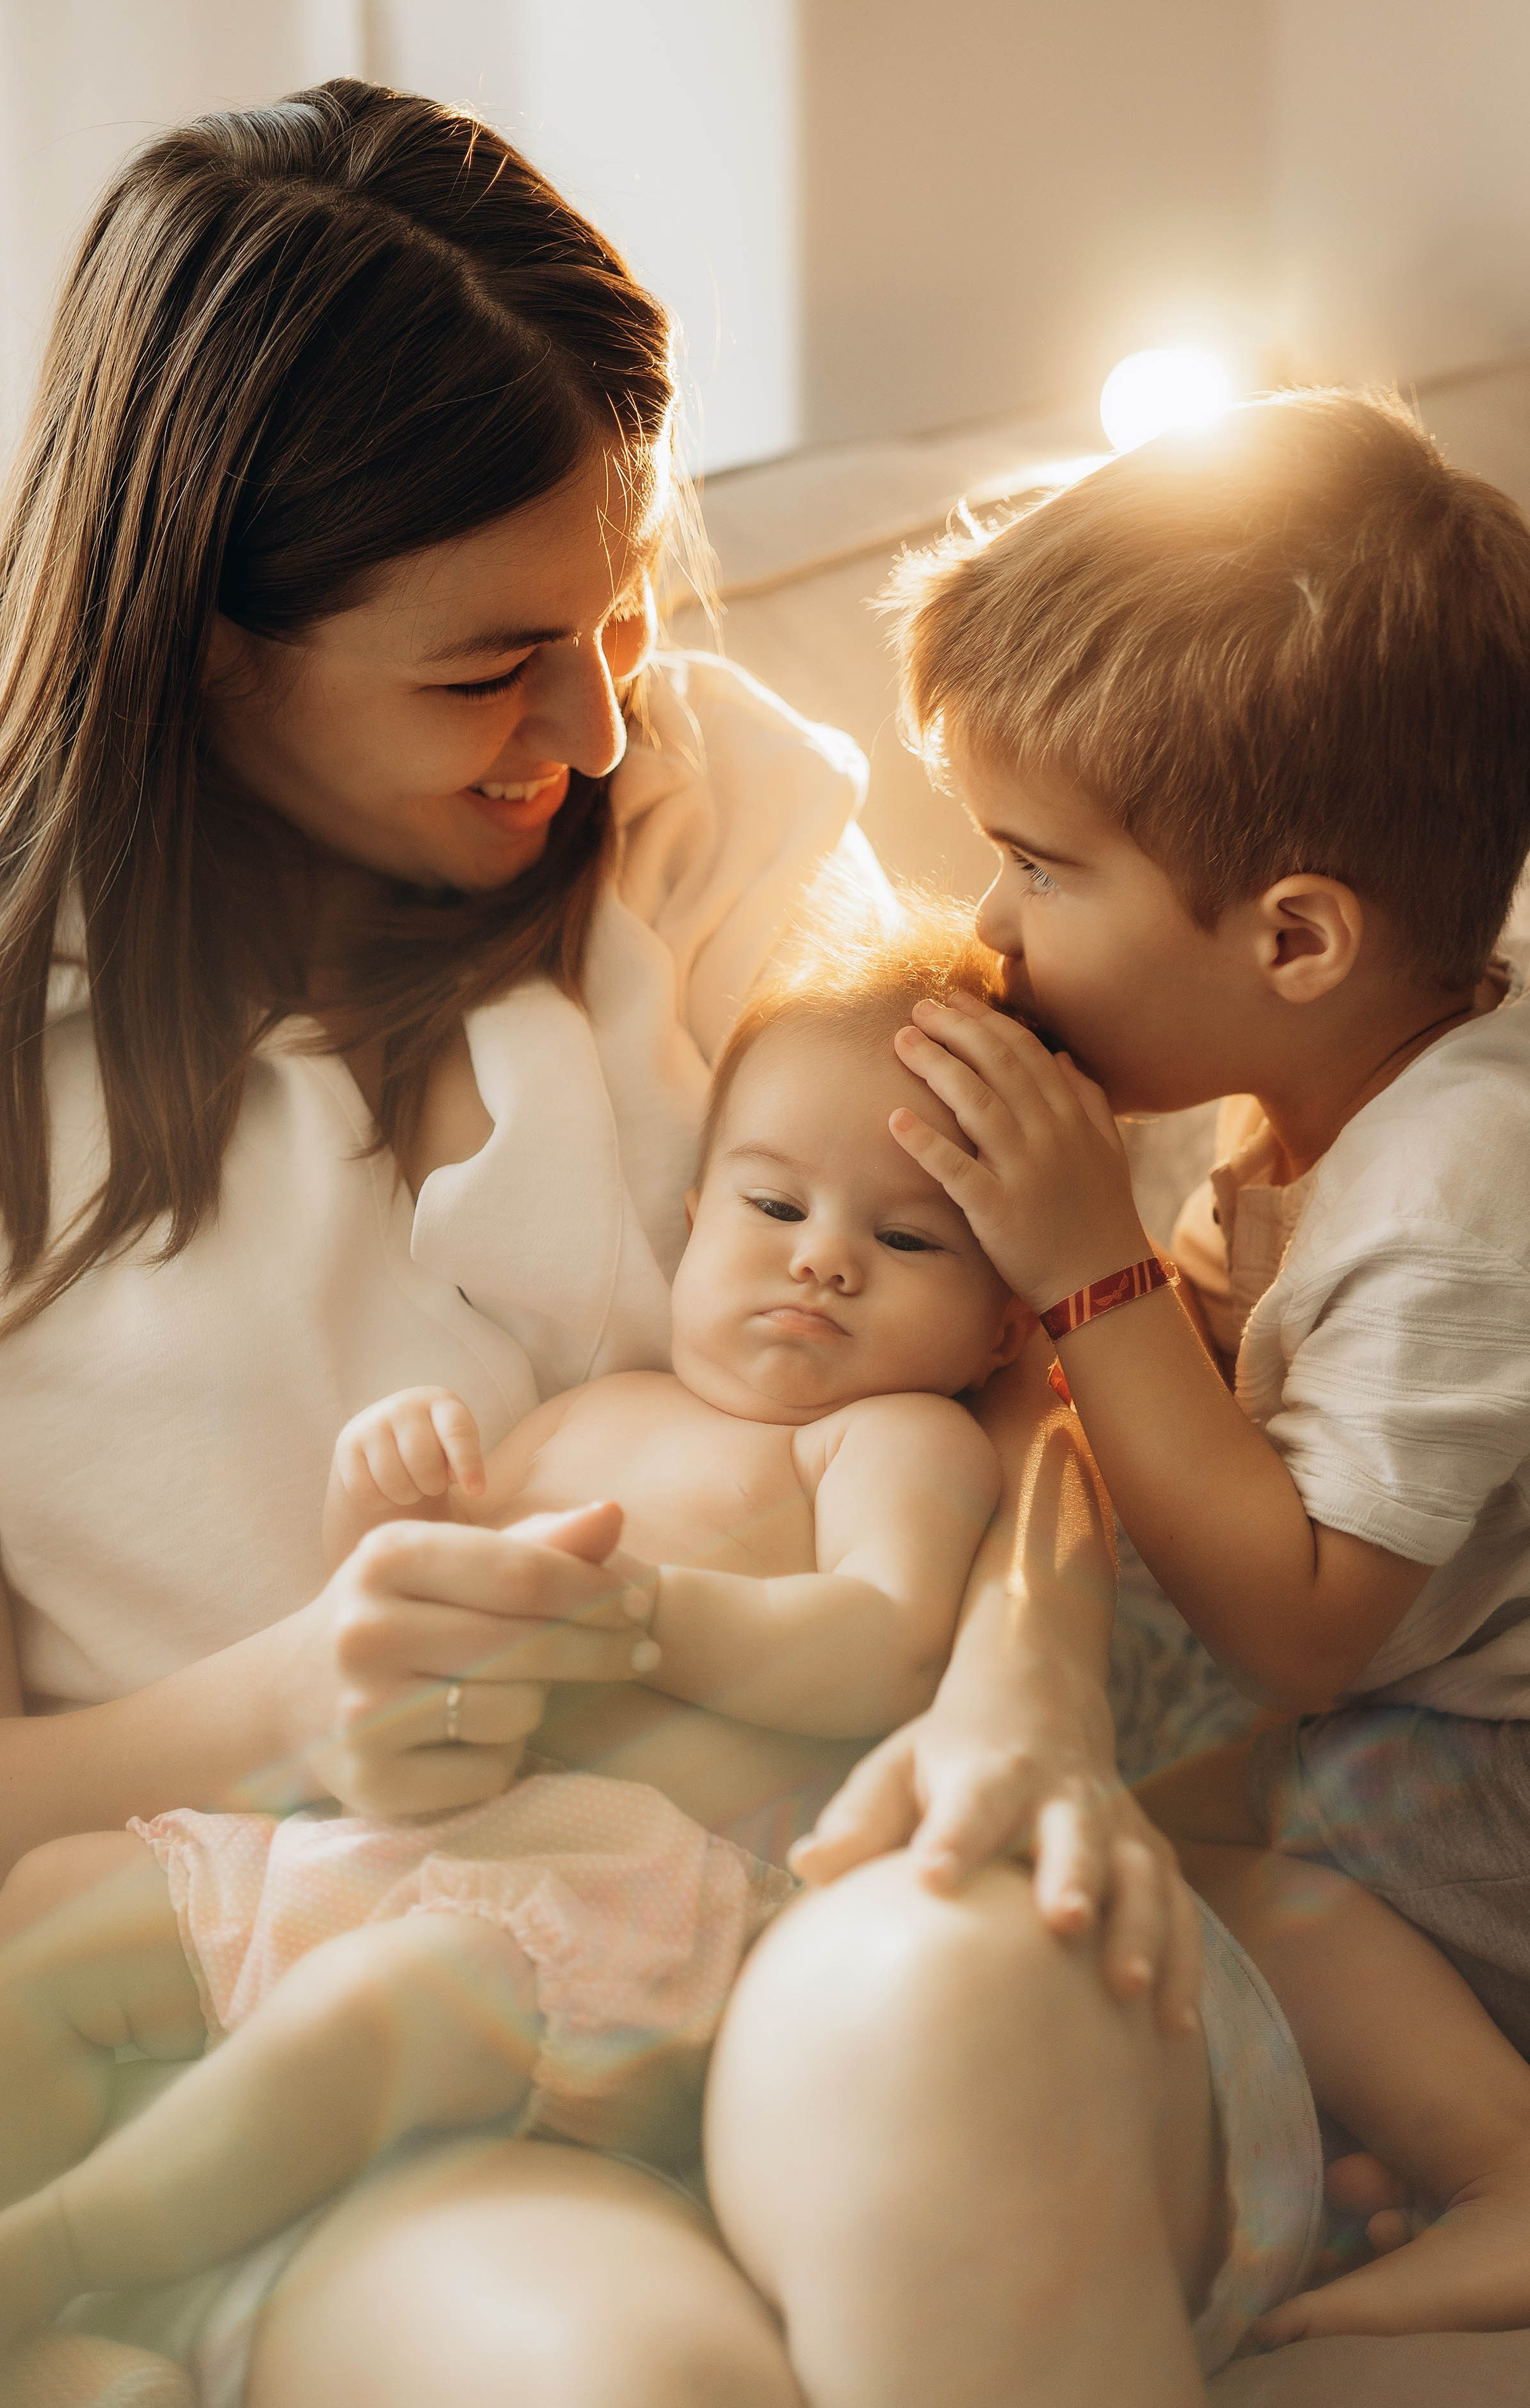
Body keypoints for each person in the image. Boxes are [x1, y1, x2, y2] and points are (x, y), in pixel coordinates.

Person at [0, 76, 1193, 2408]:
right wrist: (285, 1692)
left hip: (832, 1864)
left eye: (622, 601)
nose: (599, 709)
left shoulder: (710, 819)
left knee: (952, 2035)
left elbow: (1061, 1312)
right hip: (341, 1993)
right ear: (210, 638)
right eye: (485, 664)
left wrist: (1023, 1683)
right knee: (622, 2379)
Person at [0, 901, 1530, 2402]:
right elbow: (407, 1629)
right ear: (688, 1211)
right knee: (54, 1916)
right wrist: (400, 1512)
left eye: (904, 1242)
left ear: (997, 1318)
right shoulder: (591, 1407)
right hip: (434, 1864)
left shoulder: (890, 1442)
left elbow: (882, 1644)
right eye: (771, 1204)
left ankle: (81, 2249)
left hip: (624, 1924)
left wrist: (655, 1615)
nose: (820, 1257)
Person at [881, 383, 1530, 2330]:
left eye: (1038, 864)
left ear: (1295, 940)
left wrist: (1090, 1280)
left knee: (1255, 1806)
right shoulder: (1387, 1064)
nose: (995, 930)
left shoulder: (1463, 1198)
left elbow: (1303, 1625)